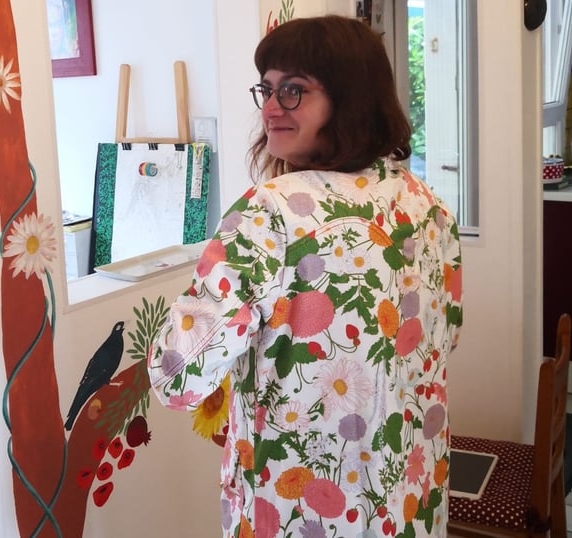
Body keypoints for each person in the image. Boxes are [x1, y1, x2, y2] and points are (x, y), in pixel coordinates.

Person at [147, 15, 463, 538]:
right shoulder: (426, 206)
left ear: (350, 99)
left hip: (300, 508)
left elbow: (179, 374)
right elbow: (444, 337)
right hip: (409, 499)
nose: (271, 107)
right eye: (267, 89)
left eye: (294, 90)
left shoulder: (270, 213)